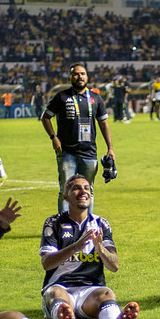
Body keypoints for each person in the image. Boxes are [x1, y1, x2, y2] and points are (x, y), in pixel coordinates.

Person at [39, 175, 140, 319]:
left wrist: (99, 247)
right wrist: (76, 246)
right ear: (65, 196)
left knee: (107, 294)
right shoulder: (54, 223)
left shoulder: (101, 224)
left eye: (87, 188)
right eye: (76, 188)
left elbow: (114, 265)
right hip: (60, 287)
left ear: (91, 195)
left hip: (90, 292)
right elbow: (47, 263)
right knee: (55, 293)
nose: (83, 191)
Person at [42, 62, 115, 213]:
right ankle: (64, 225)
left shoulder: (96, 98)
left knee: (88, 190)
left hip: (89, 152)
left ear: (87, 77)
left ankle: (86, 225)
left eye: (82, 73)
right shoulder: (61, 97)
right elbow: (46, 117)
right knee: (66, 190)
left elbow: (103, 124)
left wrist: (110, 148)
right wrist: (53, 137)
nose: (79, 76)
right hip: (67, 152)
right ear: (70, 77)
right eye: (76, 74)